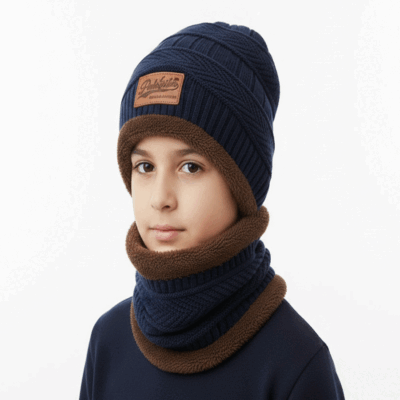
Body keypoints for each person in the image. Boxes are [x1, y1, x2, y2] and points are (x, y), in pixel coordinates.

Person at [79, 21, 346, 399]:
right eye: (145, 166)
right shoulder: (109, 341)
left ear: (242, 185)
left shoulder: (295, 364)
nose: (160, 198)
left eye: (190, 167)